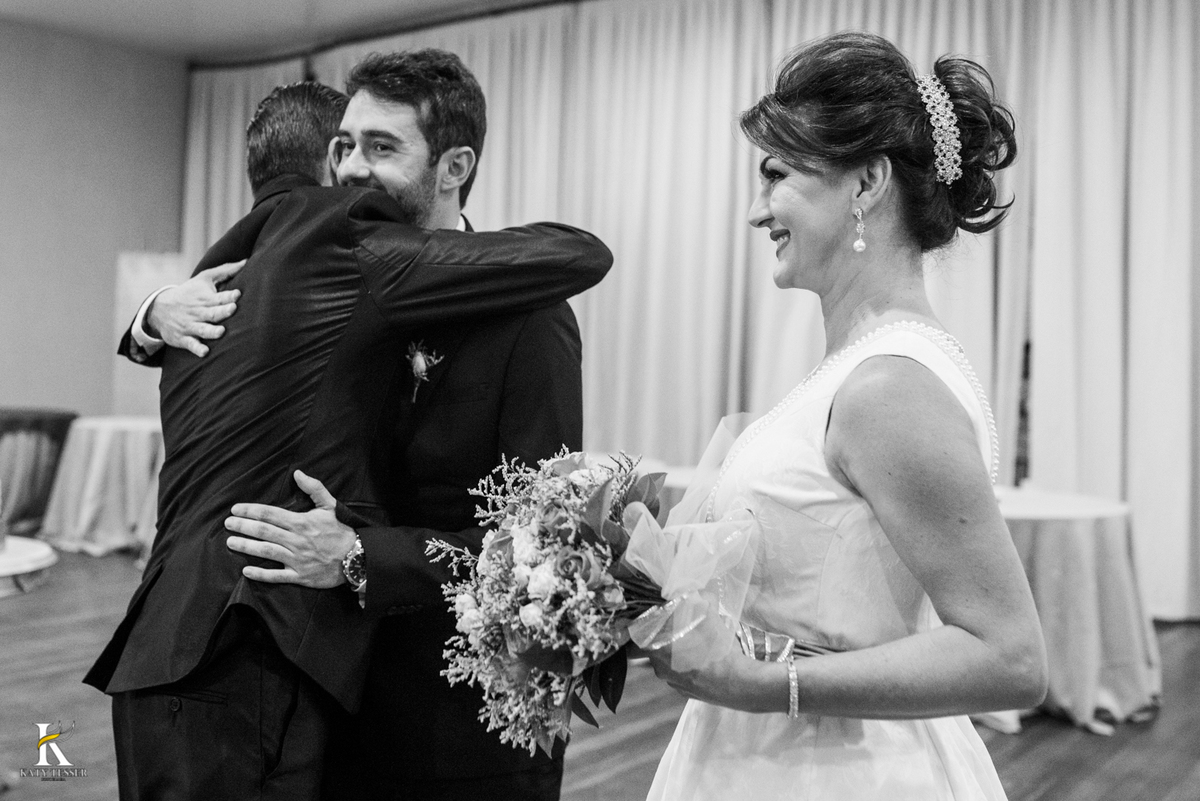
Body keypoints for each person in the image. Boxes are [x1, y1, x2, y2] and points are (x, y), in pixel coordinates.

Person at [87, 77, 610, 801]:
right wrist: (150, 313)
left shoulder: (528, 317)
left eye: (381, 147)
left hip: (445, 728)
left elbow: (542, 547)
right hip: (316, 698)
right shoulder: (319, 264)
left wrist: (364, 556)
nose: (352, 169)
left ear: (453, 167)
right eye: (344, 147)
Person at [639, 32, 1047, 800]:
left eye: (777, 174)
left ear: (866, 182)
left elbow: (1011, 655)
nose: (759, 212)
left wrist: (763, 683)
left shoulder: (888, 386)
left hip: (830, 771)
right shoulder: (856, 367)